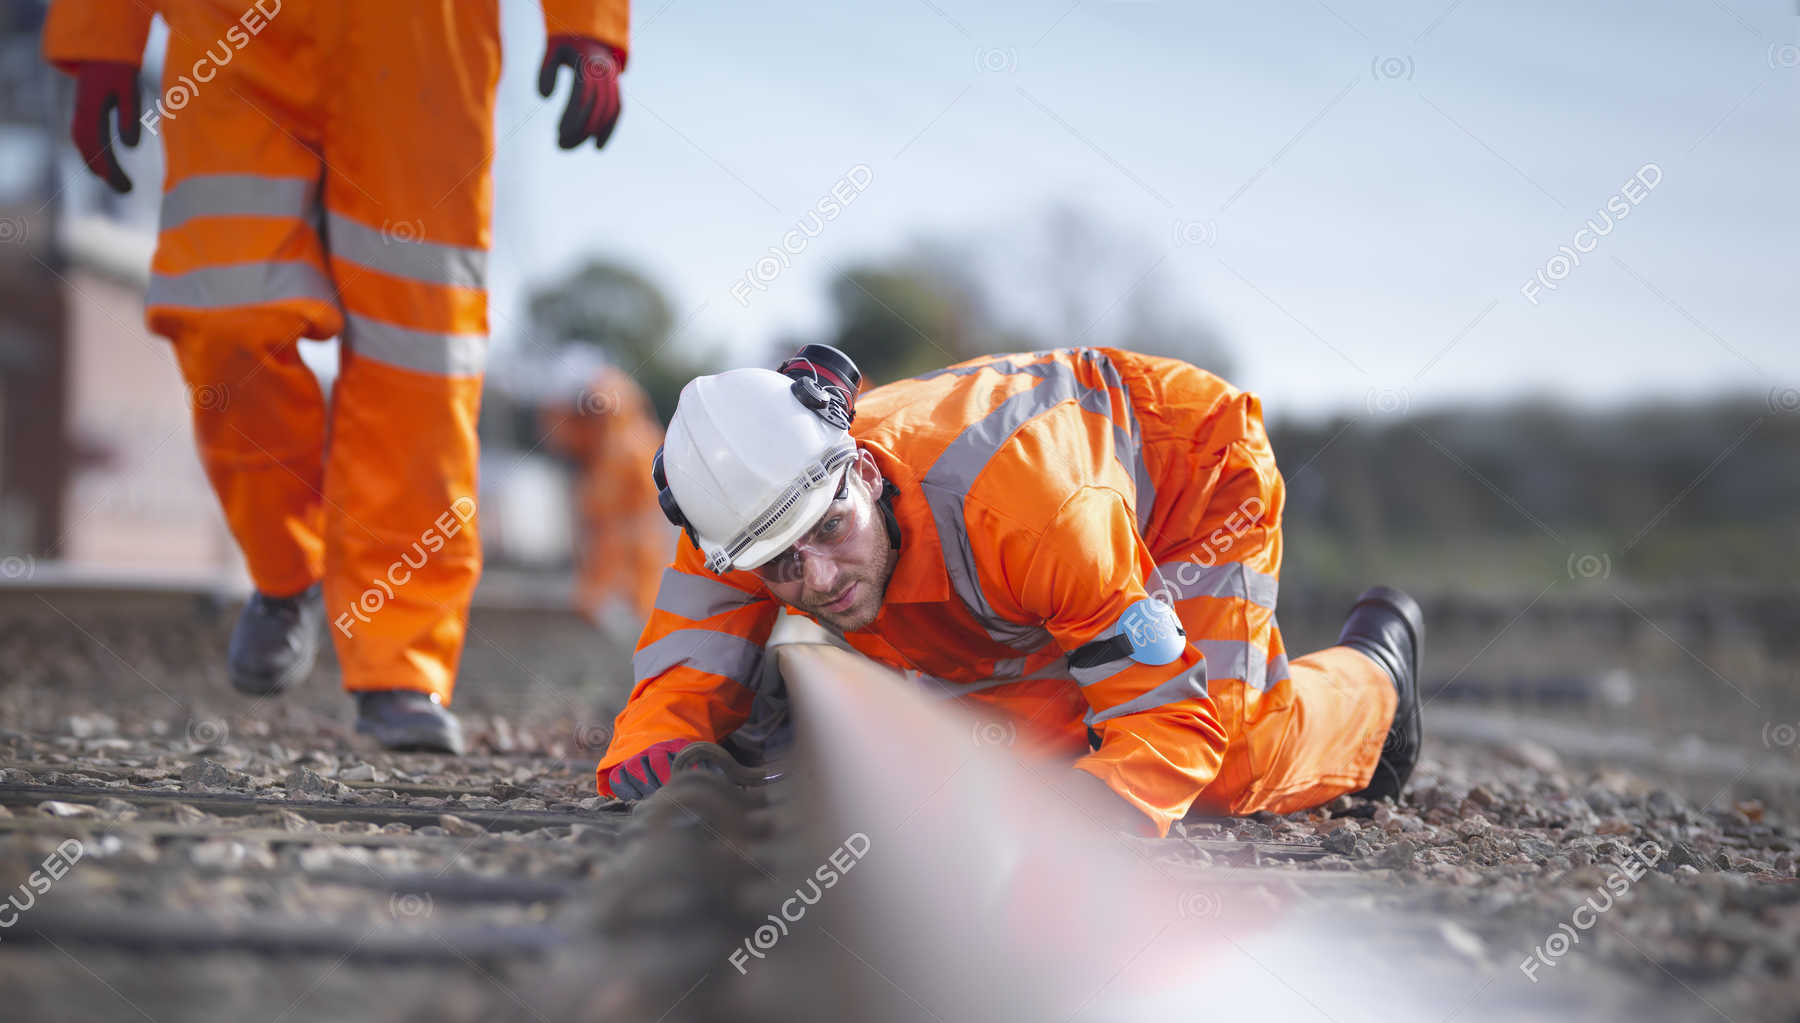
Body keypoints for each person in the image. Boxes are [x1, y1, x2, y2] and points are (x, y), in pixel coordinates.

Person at [44, 0, 631, 753]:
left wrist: (591, 25)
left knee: (418, 362)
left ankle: (401, 663)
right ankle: (286, 572)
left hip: (423, 39)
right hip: (231, 29)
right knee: (225, 315)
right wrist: (100, 34)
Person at [597, 344, 1423, 838]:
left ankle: (1376, 684)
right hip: (1041, 512)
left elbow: (1165, 717)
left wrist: (1089, 828)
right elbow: (689, 649)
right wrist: (658, 738)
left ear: (858, 469)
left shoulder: (1039, 518)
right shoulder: (745, 504)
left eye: (829, 531)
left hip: (1189, 476)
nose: (818, 578)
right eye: (778, 566)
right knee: (1024, 745)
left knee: (1225, 766)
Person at [538, 363, 670, 639]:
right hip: (622, 556)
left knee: (632, 556)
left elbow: (636, 512)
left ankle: (631, 615)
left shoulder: (626, 448)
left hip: (632, 557)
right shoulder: (611, 448)